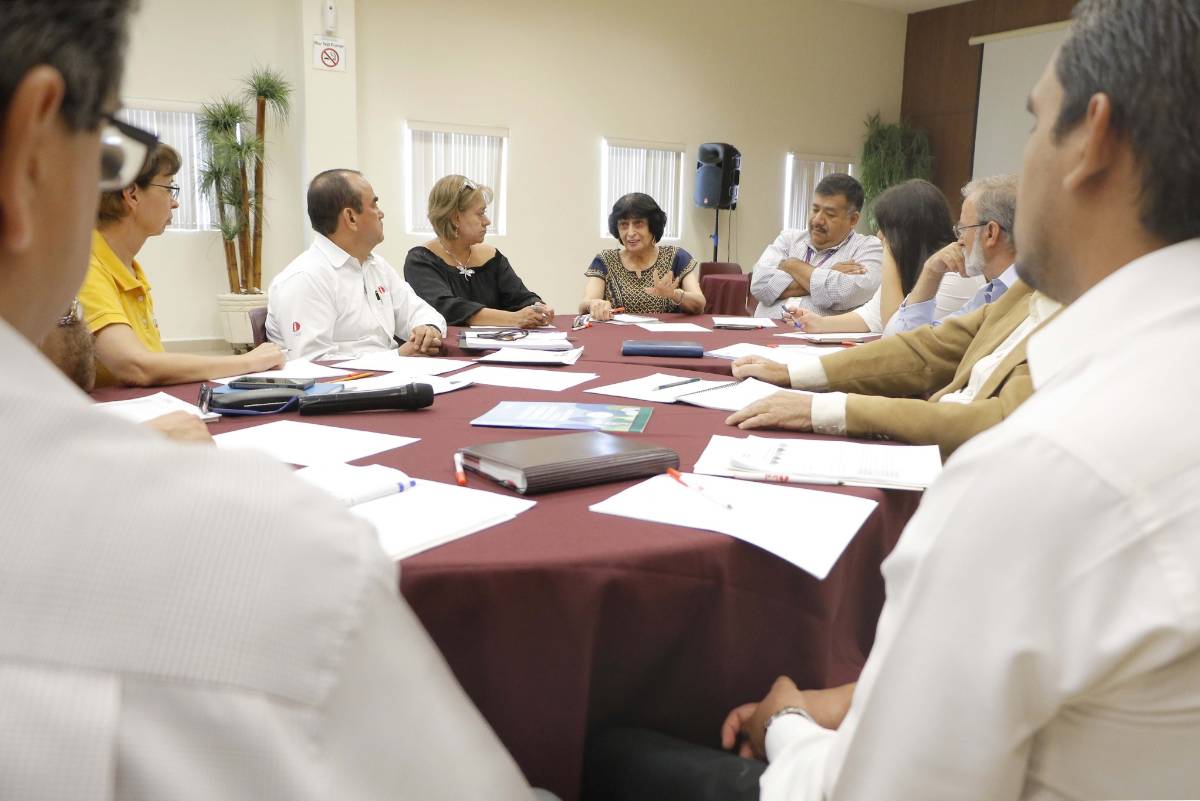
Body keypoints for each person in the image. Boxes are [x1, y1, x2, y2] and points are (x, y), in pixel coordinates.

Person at [0, 2, 535, 798]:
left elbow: (417, 312)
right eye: (108, 150)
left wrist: (421, 330)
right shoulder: (276, 557)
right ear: (31, 154)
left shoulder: (380, 269)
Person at [738, 2, 1200, 799]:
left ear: (1092, 139)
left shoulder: (1041, 468)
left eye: (1033, 123)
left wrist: (783, 720)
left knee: (622, 750)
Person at [727, 283, 1059, 459]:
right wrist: (793, 374)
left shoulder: (1082, 321)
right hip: (926, 453)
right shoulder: (1029, 291)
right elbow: (927, 349)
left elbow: (1001, 421)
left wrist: (824, 409)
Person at [78, 142, 285, 387]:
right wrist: (248, 362)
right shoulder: (86, 269)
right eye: (169, 188)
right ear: (131, 194)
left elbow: (151, 363)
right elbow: (135, 366)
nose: (175, 203)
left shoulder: (130, 269)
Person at [266, 169, 446, 360]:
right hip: (351, 379)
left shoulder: (376, 265)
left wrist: (428, 329)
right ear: (351, 217)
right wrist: (397, 358)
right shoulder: (305, 278)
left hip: (391, 373)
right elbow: (313, 364)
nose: (381, 213)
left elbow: (419, 312)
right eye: (374, 205)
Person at [785, 179, 954, 336]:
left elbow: (897, 335)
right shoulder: (911, 265)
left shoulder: (951, 274)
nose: (880, 235)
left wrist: (889, 252)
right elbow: (871, 315)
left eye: (887, 230)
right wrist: (820, 323)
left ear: (910, 232)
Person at [404, 174, 553, 327]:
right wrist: (513, 319)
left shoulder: (492, 257)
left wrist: (538, 307)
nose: (487, 221)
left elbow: (519, 297)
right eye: (480, 213)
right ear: (455, 218)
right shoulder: (421, 261)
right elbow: (447, 308)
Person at [886, 173, 1020, 332]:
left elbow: (905, 342)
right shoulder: (987, 295)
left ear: (990, 233)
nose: (959, 241)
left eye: (963, 229)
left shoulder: (1031, 297)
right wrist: (930, 272)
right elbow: (905, 340)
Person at [750, 173, 883, 319]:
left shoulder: (869, 248)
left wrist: (792, 265)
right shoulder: (789, 239)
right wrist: (830, 273)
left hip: (817, 333)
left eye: (830, 214)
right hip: (763, 328)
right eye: (815, 209)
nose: (817, 220)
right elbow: (759, 285)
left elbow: (846, 292)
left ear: (853, 219)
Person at [581, 192, 705, 321]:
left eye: (638, 224)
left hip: (666, 332)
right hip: (618, 332)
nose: (630, 233)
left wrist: (674, 294)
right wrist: (593, 304)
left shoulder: (676, 257)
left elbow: (700, 304)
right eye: (624, 225)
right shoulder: (606, 259)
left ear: (653, 226)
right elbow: (584, 304)